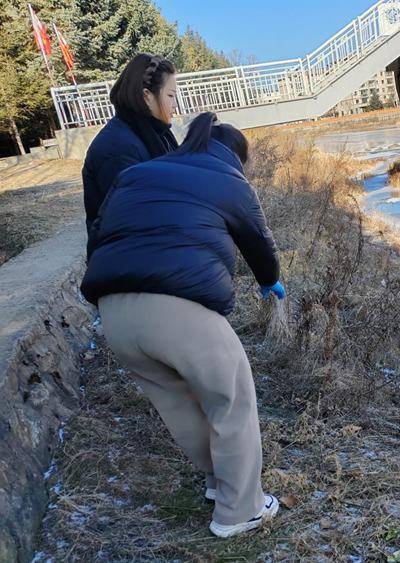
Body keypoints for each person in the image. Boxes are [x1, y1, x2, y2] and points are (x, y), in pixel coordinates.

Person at [81, 112, 285, 538]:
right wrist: (269, 282)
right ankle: (240, 510)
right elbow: (258, 240)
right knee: (231, 399)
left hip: (115, 314)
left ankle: (218, 482)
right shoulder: (228, 178)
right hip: (178, 309)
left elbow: (99, 229)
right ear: (236, 157)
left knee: (179, 403)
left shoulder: (137, 173)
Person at [82, 53, 179, 233]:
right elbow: (137, 217)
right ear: (147, 96)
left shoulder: (157, 134)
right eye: (171, 95)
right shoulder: (116, 148)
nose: (175, 104)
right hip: (131, 253)